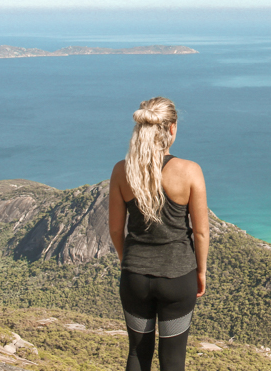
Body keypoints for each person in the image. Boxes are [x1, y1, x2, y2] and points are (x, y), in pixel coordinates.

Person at [108, 96, 209, 371]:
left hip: (135, 278)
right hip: (179, 278)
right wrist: (200, 272)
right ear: (172, 128)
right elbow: (200, 232)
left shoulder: (122, 170)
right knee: (173, 359)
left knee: (137, 355)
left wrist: (125, 261)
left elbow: (116, 228)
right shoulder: (190, 171)